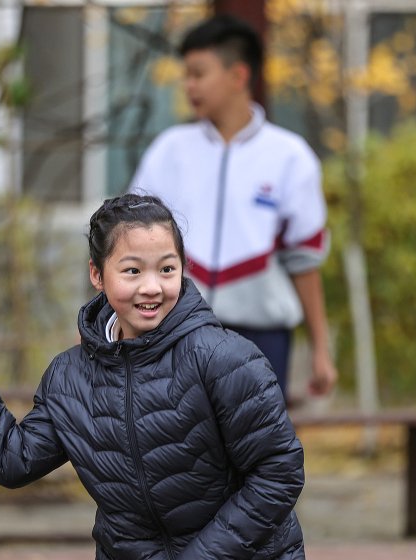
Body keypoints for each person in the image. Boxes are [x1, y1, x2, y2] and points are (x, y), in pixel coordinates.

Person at [0, 194, 356, 560]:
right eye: (131, 271)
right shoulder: (70, 377)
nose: (152, 287)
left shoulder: (225, 356)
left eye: (167, 269)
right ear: (97, 274)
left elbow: (278, 472)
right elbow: (13, 459)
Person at [130, 14, 337, 401]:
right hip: (173, 334)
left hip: (261, 342)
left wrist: (321, 351)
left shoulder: (290, 157)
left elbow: (304, 262)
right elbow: (126, 244)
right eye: (185, 74)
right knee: (173, 457)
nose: (188, 85)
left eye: (198, 73)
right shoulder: (168, 151)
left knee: (255, 459)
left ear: (239, 76)